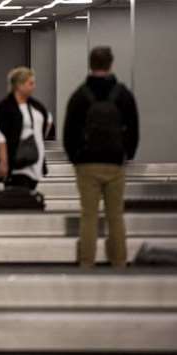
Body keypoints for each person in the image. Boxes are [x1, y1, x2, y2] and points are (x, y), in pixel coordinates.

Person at [64, 46, 139, 268]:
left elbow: (70, 131)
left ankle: (87, 262)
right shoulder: (123, 95)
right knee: (115, 216)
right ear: (111, 64)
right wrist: (126, 154)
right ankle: (119, 261)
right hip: (114, 162)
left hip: (87, 163)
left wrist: (75, 157)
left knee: (89, 216)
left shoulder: (80, 95)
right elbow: (133, 129)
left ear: (90, 64)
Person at [0, 67, 52, 190]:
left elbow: (47, 122)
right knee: (19, 199)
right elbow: (0, 136)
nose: (34, 86)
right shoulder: (5, 107)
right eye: (30, 83)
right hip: (17, 162)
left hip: (35, 160)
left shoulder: (36, 106)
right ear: (19, 85)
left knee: (30, 196)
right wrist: (3, 161)